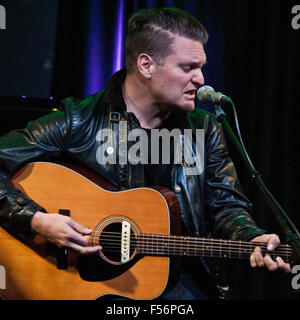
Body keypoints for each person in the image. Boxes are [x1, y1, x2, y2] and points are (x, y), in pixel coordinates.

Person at [0, 7, 290, 299]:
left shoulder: (205, 128)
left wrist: (251, 237)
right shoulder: (78, 120)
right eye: (188, 68)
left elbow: (226, 206)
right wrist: (36, 220)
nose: (200, 79)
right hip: (92, 284)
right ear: (146, 65)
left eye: (201, 67)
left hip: (180, 282)